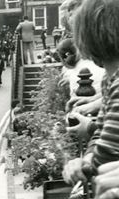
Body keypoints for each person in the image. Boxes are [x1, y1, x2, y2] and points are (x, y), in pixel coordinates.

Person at [62, 0, 119, 184]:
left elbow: (108, 153)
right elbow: (102, 134)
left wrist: (83, 165)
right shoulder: (108, 80)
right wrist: (86, 159)